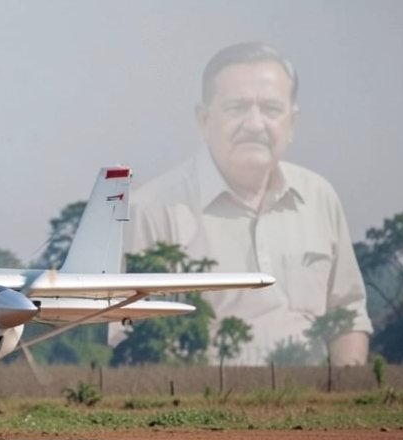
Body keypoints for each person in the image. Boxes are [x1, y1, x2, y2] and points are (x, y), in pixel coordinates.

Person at [124, 42, 371, 365]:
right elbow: (132, 332)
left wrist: (347, 396)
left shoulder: (319, 197)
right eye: (237, 108)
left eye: (271, 109)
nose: (255, 124)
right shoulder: (152, 210)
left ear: (292, 122)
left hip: (318, 406)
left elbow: (348, 314)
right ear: (203, 119)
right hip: (199, 407)